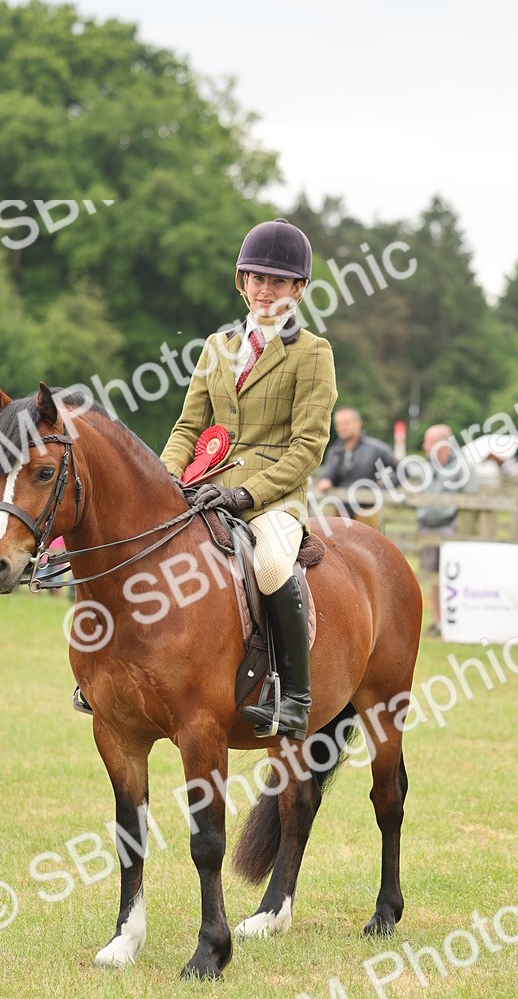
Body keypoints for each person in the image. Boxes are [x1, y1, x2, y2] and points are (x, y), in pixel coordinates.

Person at [161, 218, 337, 741]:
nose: (265, 290)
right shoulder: (216, 346)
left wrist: (246, 493)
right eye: (256, 278)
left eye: (278, 282)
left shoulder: (312, 353)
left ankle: (294, 697)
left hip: (272, 499)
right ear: (242, 282)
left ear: (298, 290)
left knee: (269, 562)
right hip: (203, 485)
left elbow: (308, 447)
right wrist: (166, 480)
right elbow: (189, 426)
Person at [414, 423, 478, 635]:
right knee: (432, 577)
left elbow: (472, 500)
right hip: (428, 528)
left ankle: (456, 622)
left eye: (428, 441)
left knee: (453, 577)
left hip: (452, 529)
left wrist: (460, 529)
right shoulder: (427, 466)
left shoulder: (462, 467)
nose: (424, 445)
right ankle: (439, 623)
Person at [314, 407, 398, 522]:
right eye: (338, 424)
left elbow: (403, 470)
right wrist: (326, 479)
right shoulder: (335, 450)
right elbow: (330, 473)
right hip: (341, 511)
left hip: (366, 511)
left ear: (358, 423)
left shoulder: (376, 449)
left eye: (346, 423)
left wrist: (382, 489)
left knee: (369, 540)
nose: (342, 427)